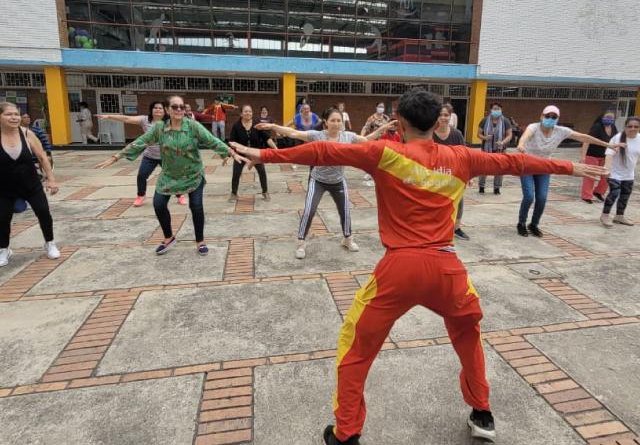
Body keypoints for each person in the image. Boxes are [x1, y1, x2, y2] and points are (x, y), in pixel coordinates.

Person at [230, 88, 607, 445]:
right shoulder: (462, 156)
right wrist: (570, 169)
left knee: (355, 345)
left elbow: (324, 153)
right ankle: (482, 413)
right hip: (447, 270)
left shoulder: (385, 153)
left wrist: (263, 155)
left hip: (399, 270)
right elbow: (514, 161)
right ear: (436, 120)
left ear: (399, 120)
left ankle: (346, 433)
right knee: (468, 335)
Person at [96, 95, 246, 256]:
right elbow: (141, 141)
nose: (179, 110)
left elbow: (213, 141)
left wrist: (230, 152)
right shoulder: (160, 127)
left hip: (193, 174)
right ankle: (169, 237)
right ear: (168, 110)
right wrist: (116, 157)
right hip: (169, 175)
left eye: (181, 107)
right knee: (158, 204)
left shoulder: (193, 126)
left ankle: (200, 241)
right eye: (175, 107)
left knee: (196, 206)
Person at [256, 108, 392, 259]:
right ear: (326, 122)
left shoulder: (348, 137)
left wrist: (383, 129)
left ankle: (347, 239)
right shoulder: (318, 135)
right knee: (309, 210)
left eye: (339, 120)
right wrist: (274, 127)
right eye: (332, 120)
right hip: (318, 180)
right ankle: (301, 242)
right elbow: (294, 133)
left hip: (338, 181)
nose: (336, 123)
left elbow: (367, 139)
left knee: (345, 211)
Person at [516, 105, 622, 237]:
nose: (550, 119)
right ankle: (521, 223)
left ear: (557, 119)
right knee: (529, 196)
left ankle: (534, 224)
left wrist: (608, 145)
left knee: (542, 198)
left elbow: (584, 137)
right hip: (527, 165)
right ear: (541, 116)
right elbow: (526, 135)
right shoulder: (534, 127)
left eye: (554, 117)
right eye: (547, 116)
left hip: (545, 167)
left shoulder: (561, 131)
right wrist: (521, 144)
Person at [1, 102, 60, 267]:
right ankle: (4, 249)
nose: (14, 117)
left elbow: (42, 157)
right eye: (9, 114)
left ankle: (50, 243)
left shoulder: (27, 134)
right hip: (4, 188)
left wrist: (51, 179)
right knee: (3, 218)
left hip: (31, 184)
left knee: (43, 212)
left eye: (16, 114)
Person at [96, 102, 187, 207]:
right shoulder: (145, 120)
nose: (157, 110)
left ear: (165, 110)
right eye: (155, 108)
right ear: (151, 110)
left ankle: (180, 195)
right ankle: (140, 196)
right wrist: (109, 116)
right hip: (150, 156)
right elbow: (126, 119)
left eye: (160, 108)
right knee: (142, 175)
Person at [434, 104, 470, 240]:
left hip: (453, 173)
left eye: (446, 115)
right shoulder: (429, 133)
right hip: (434, 175)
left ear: (451, 116)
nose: (443, 118)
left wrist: (468, 175)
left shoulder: (456, 134)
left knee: (459, 199)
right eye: (441, 115)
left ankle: (457, 228)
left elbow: (464, 155)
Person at [228, 105, 278, 202]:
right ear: (241, 114)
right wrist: (229, 154)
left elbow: (267, 138)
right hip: (241, 154)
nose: (248, 113)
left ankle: (265, 192)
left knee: (262, 172)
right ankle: (234, 193)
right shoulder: (236, 126)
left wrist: (276, 148)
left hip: (256, 153)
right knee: (236, 173)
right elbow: (232, 141)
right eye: (246, 111)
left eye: (250, 111)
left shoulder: (256, 124)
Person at [600, 116, 640, 228]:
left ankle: (619, 216)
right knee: (615, 192)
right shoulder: (618, 138)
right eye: (630, 126)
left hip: (629, 174)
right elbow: (608, 154)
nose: (633, 128)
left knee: (625, 195)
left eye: (636, 127)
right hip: (614, 172)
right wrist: (607, 169)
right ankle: (605, 215)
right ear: (625, 127)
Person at [581, 110, 617, 203]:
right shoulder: (597, 127)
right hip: (592, 155)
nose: (609, 119)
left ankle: (598, 192)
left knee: (606, 175)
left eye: (611, 118)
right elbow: (586, 140)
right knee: (591, 175)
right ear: (602, 117)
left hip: (605, 156)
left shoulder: (613, 127)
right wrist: (583, 156)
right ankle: (586, 196)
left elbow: (615, 141)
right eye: (607, 117)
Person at [477, 102, 512, 195]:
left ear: (501, 110)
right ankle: (481, 186)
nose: (496, 110)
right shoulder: (484, 120)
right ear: (491, 110)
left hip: (500, 149)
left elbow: (509, 135)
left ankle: (497, 188)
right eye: (494, 109)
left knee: (500, 169)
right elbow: (478, 134)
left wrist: (503, 142)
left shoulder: (506, 121)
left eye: (498, 109)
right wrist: (485, 138)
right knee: (483, 168)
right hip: (486, 149)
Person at [361, 102, 390, 185]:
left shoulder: (386, 118)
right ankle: (369, 173)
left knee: (382, 158)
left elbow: (390, 128)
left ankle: (380, 174)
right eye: (379, 106)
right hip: (373, 141)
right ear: (376, 107)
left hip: (384, 141)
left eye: (382, 107)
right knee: (372, 157)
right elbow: (365, 127)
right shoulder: (371, 118)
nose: (381, 108)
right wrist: (362, 137)